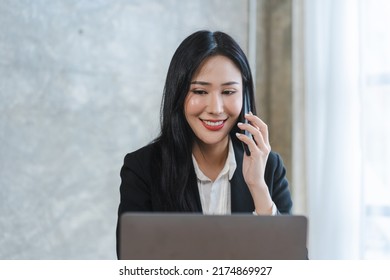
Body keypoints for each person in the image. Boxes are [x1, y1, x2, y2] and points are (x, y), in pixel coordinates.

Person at [116, 30, 292, 255]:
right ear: (178, 94)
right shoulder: (143, 168)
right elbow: (133, 265)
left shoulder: (268, 168)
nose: (216, 108)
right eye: (200, 91)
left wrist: (258, 187)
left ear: (245, 97)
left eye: (228, 91)